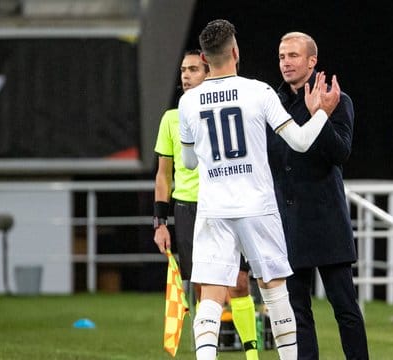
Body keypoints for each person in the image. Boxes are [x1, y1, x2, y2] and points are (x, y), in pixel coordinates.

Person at [178, 19, 341, 360]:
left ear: (205, 59)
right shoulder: (259, 92)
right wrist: (322, 114)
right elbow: (299, 142)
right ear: (235, 52)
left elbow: (190, 162)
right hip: (258, 206)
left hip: (214, 208)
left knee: (210, 294)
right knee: (275, 292)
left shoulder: (189, 102)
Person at [268, 31, 369, 360]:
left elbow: (340, 153)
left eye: (294, 56)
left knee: (346, 309)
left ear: (312, 61)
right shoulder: (273, 102)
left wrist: (320, 114)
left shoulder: (337, 98)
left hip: (326, 221)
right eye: (282, 56)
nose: (286, 62)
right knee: (297, 313)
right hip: (288, 224)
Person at [153, 49, 260, 359]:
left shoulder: (224, 111)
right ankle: (207, 354)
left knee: (240, 283)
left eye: (194, 69)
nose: (186, 75)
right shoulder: (172, 119)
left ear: (209, 72)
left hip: (227, 204)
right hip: (189, 209)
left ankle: (252, 354)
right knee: (203, 287)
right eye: (183, 70)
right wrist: (160, 223)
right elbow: (164, 175)